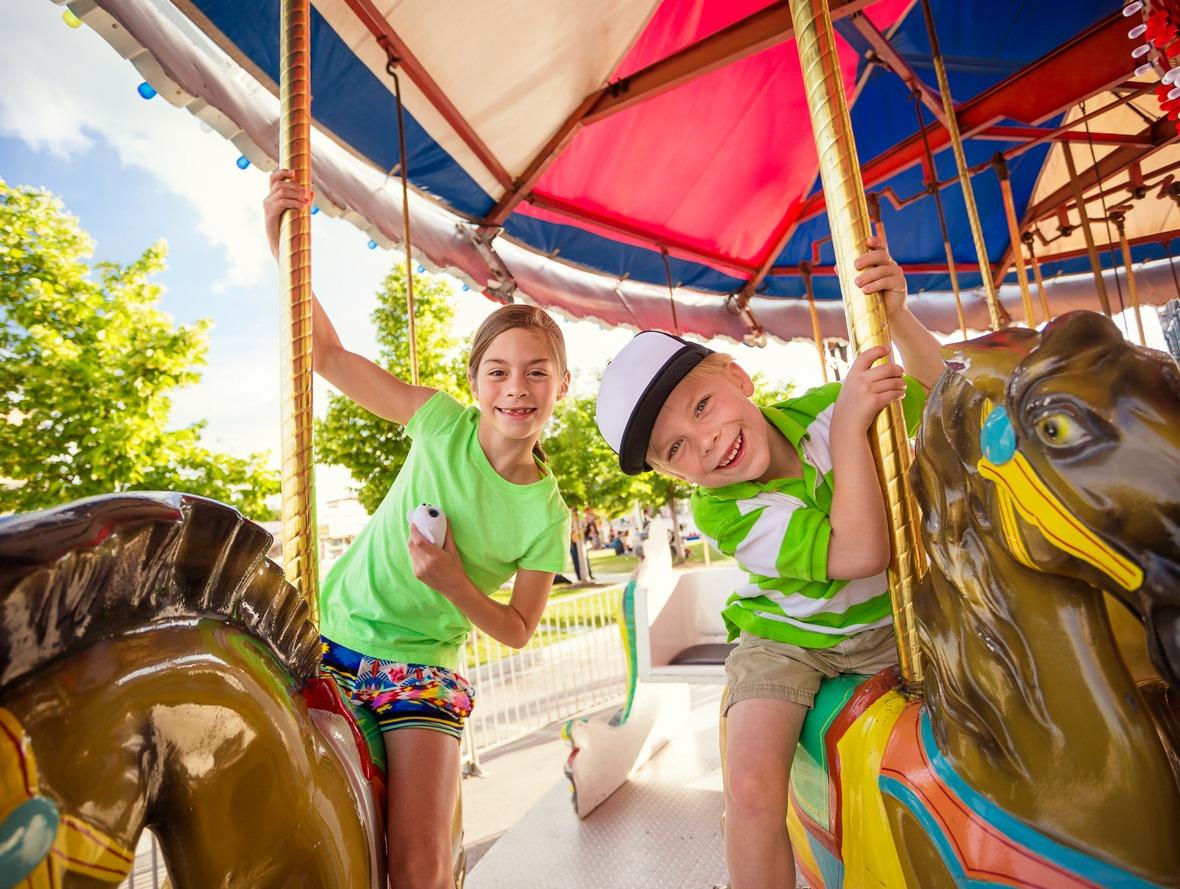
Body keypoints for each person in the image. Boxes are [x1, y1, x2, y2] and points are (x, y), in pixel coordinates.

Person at [593, 238, 943, 889]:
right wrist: (852, 430)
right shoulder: (724, 511)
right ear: (672, 474)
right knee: (751, 785)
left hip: (896, 619)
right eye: (677, 449)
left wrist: (897, 315)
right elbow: (861, 553)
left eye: (702, 406)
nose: (706, 442)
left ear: (737, 376)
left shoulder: (824, 409)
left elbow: (937, 391)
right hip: (789, 641)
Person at [264, 171, 571, 889]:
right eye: (498, 372)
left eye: (536, 373)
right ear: (474, 383)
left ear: (561, 384)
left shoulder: (546, 513)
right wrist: (282, 242)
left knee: (420, 859)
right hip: (329, 636)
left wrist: (453, 581)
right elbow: (328, 357)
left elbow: (519, 628)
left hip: (419, 672)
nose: (516, 388)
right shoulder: (439, 423)